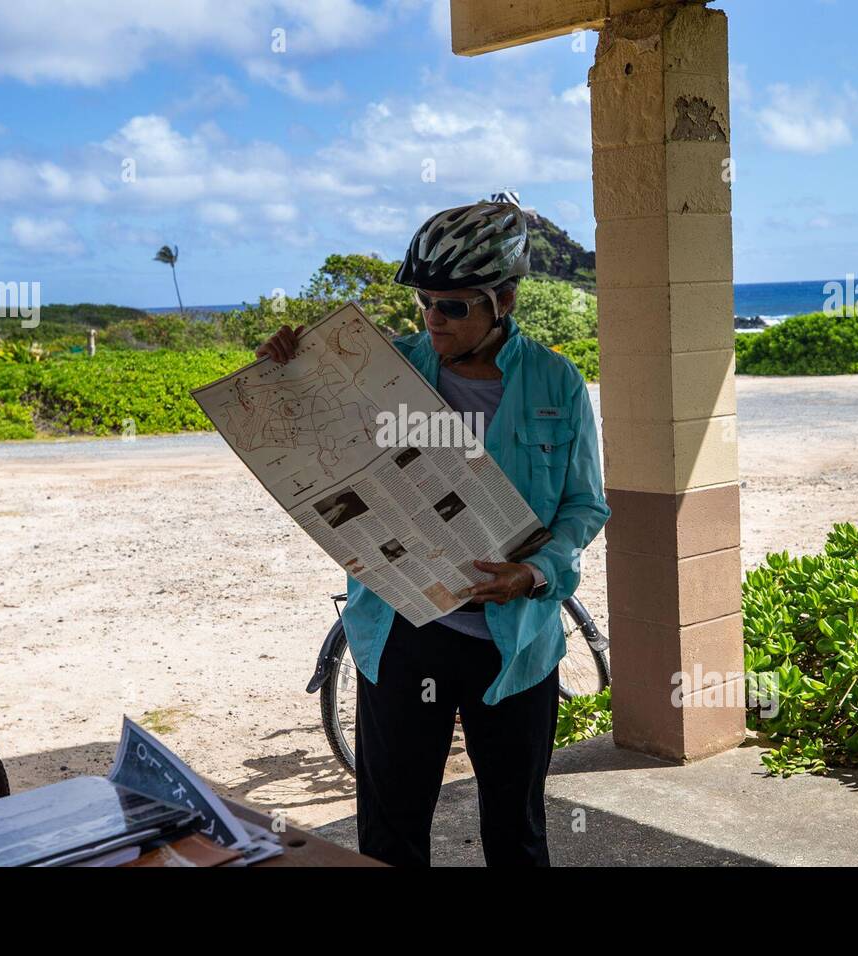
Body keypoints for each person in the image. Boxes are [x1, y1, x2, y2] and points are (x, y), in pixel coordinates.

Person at [256, 197, 610, 866]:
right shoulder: (385, 371)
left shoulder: (555, 382)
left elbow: (584, 506)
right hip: (404, 636)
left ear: (503, 299)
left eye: (454, 307)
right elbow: (303, 437)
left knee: (517, 835)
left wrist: (535, 573)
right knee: (390, 834)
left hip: (515, 644)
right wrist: (284, 370)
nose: (434, 321)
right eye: (425, 303)